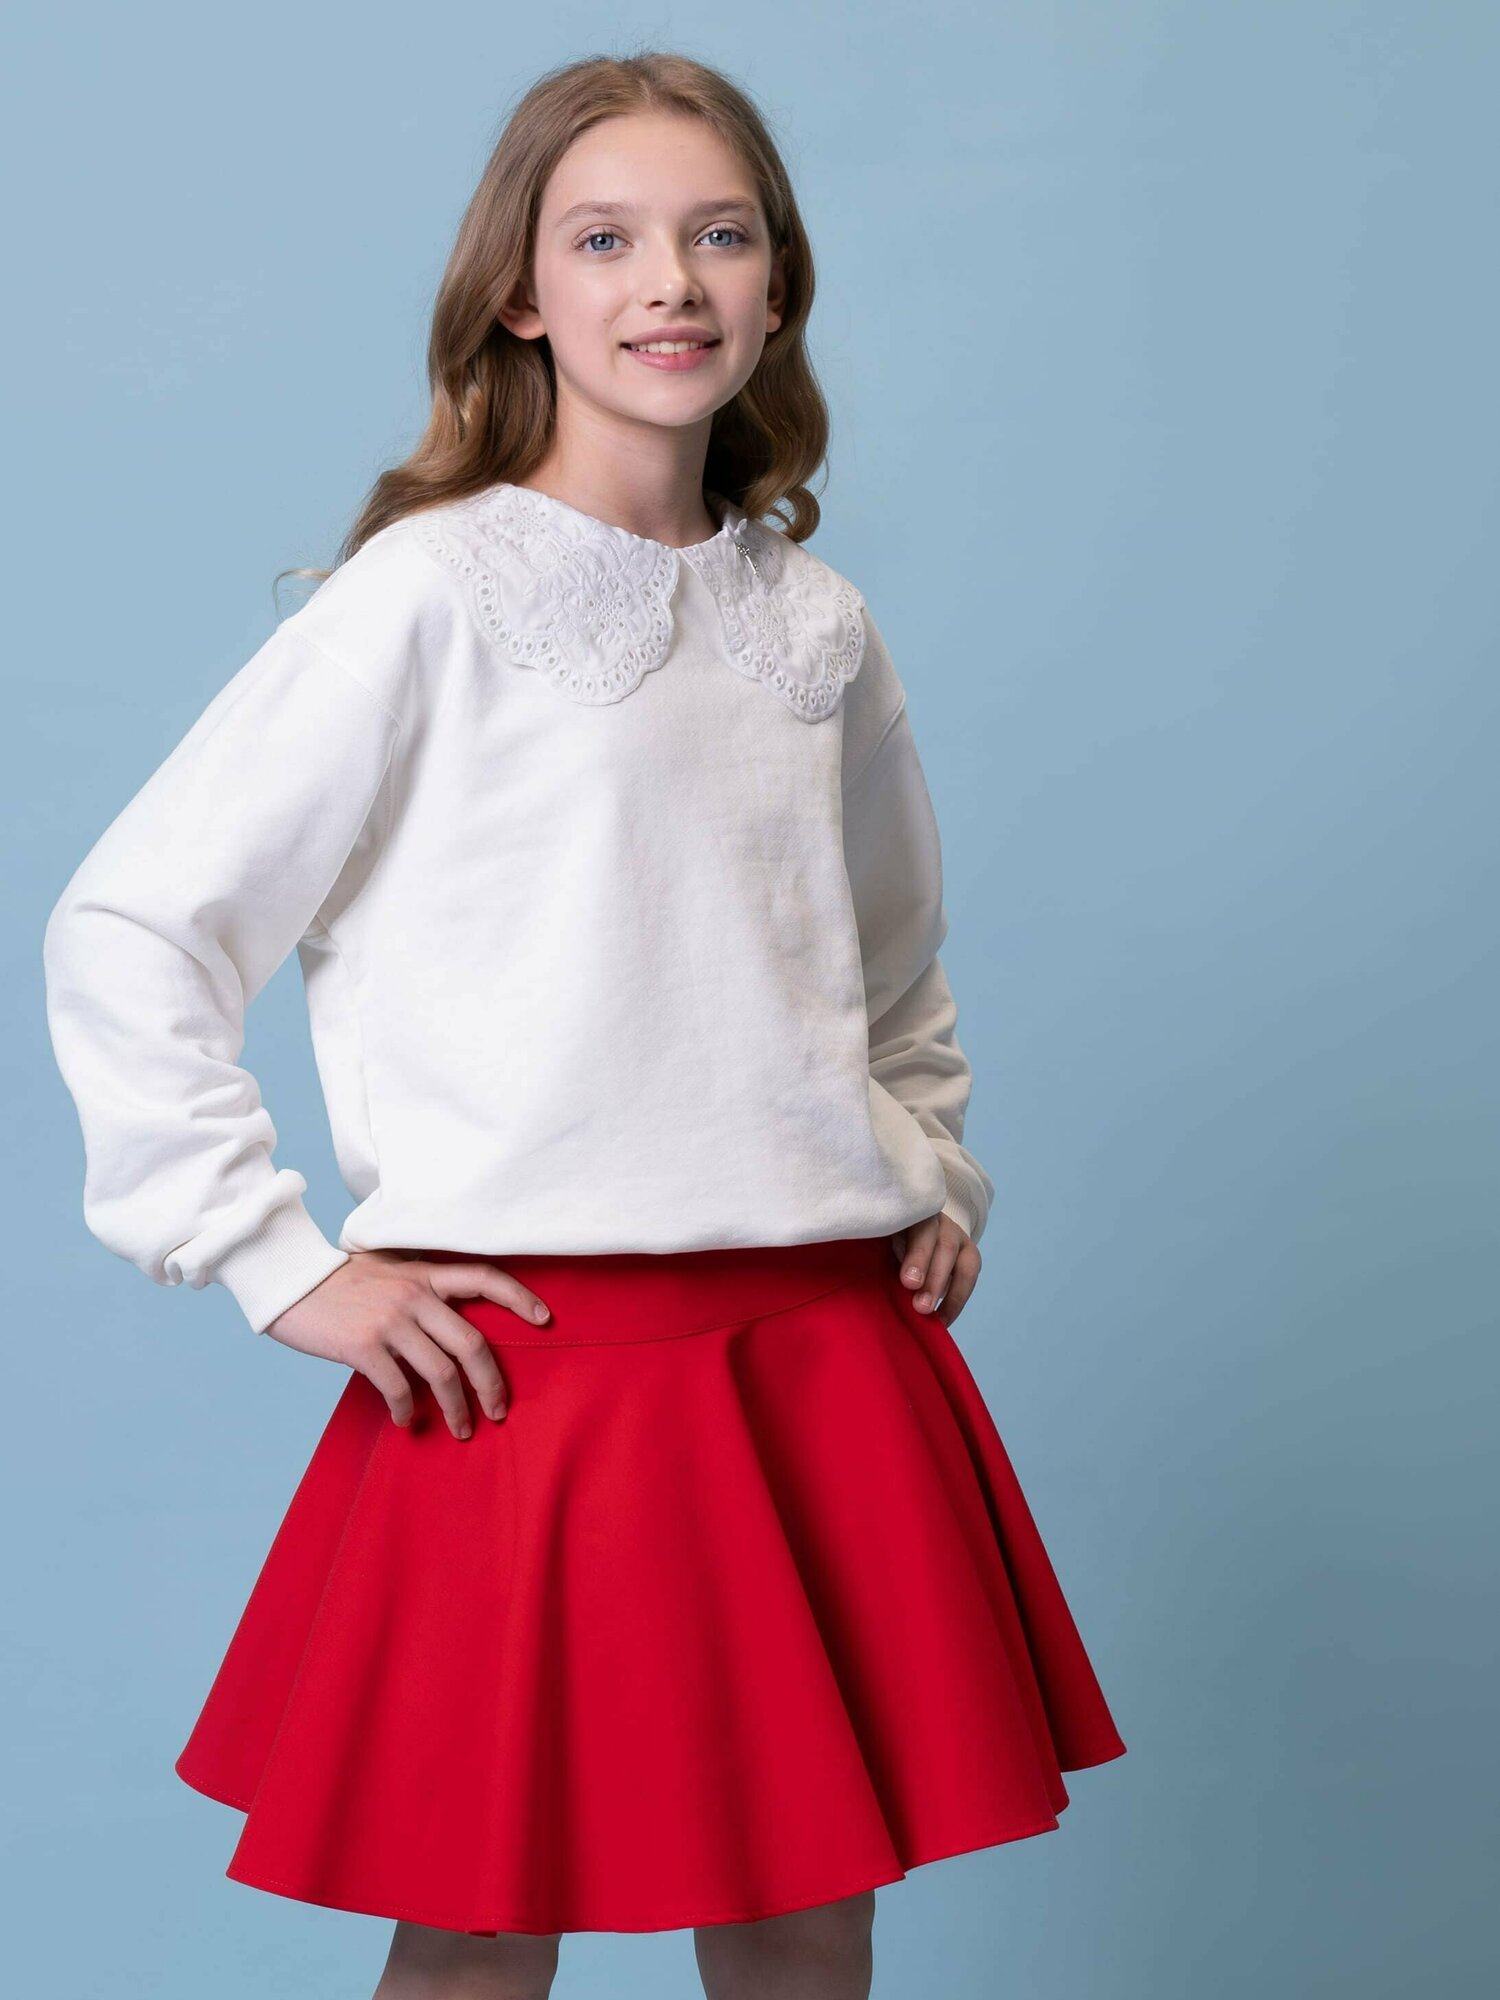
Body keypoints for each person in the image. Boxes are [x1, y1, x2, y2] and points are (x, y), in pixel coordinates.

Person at [42, 48, 1127, 2000]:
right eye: (607, 239)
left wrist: (930, 1163)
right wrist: (272, 1257)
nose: (673, 282)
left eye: (721, 235)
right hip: (531, 1378)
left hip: (821, 1352)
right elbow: (132, 926)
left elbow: (890, 967)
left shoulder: (820, 625)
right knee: (475, 1939)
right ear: (523, 293)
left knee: (807, 1924)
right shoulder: (426, 598)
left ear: (778, 284)